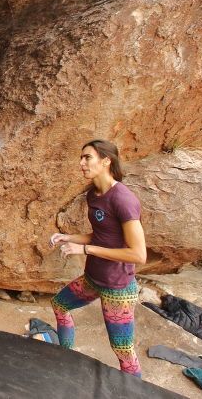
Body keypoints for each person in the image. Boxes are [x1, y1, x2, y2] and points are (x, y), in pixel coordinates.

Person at [49, 139, 147, 378]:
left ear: (106, 161)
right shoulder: (94, 195)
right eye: (81, 158)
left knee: (123, 349)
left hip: (118, 288)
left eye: (87, 158)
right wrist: (68, 236)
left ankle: (136, 392)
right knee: (60, 305)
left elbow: (138, 254)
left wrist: (86, 250)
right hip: (94, 278)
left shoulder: (123, 199)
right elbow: (103, 235)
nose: (81, 163)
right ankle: (64, 356)